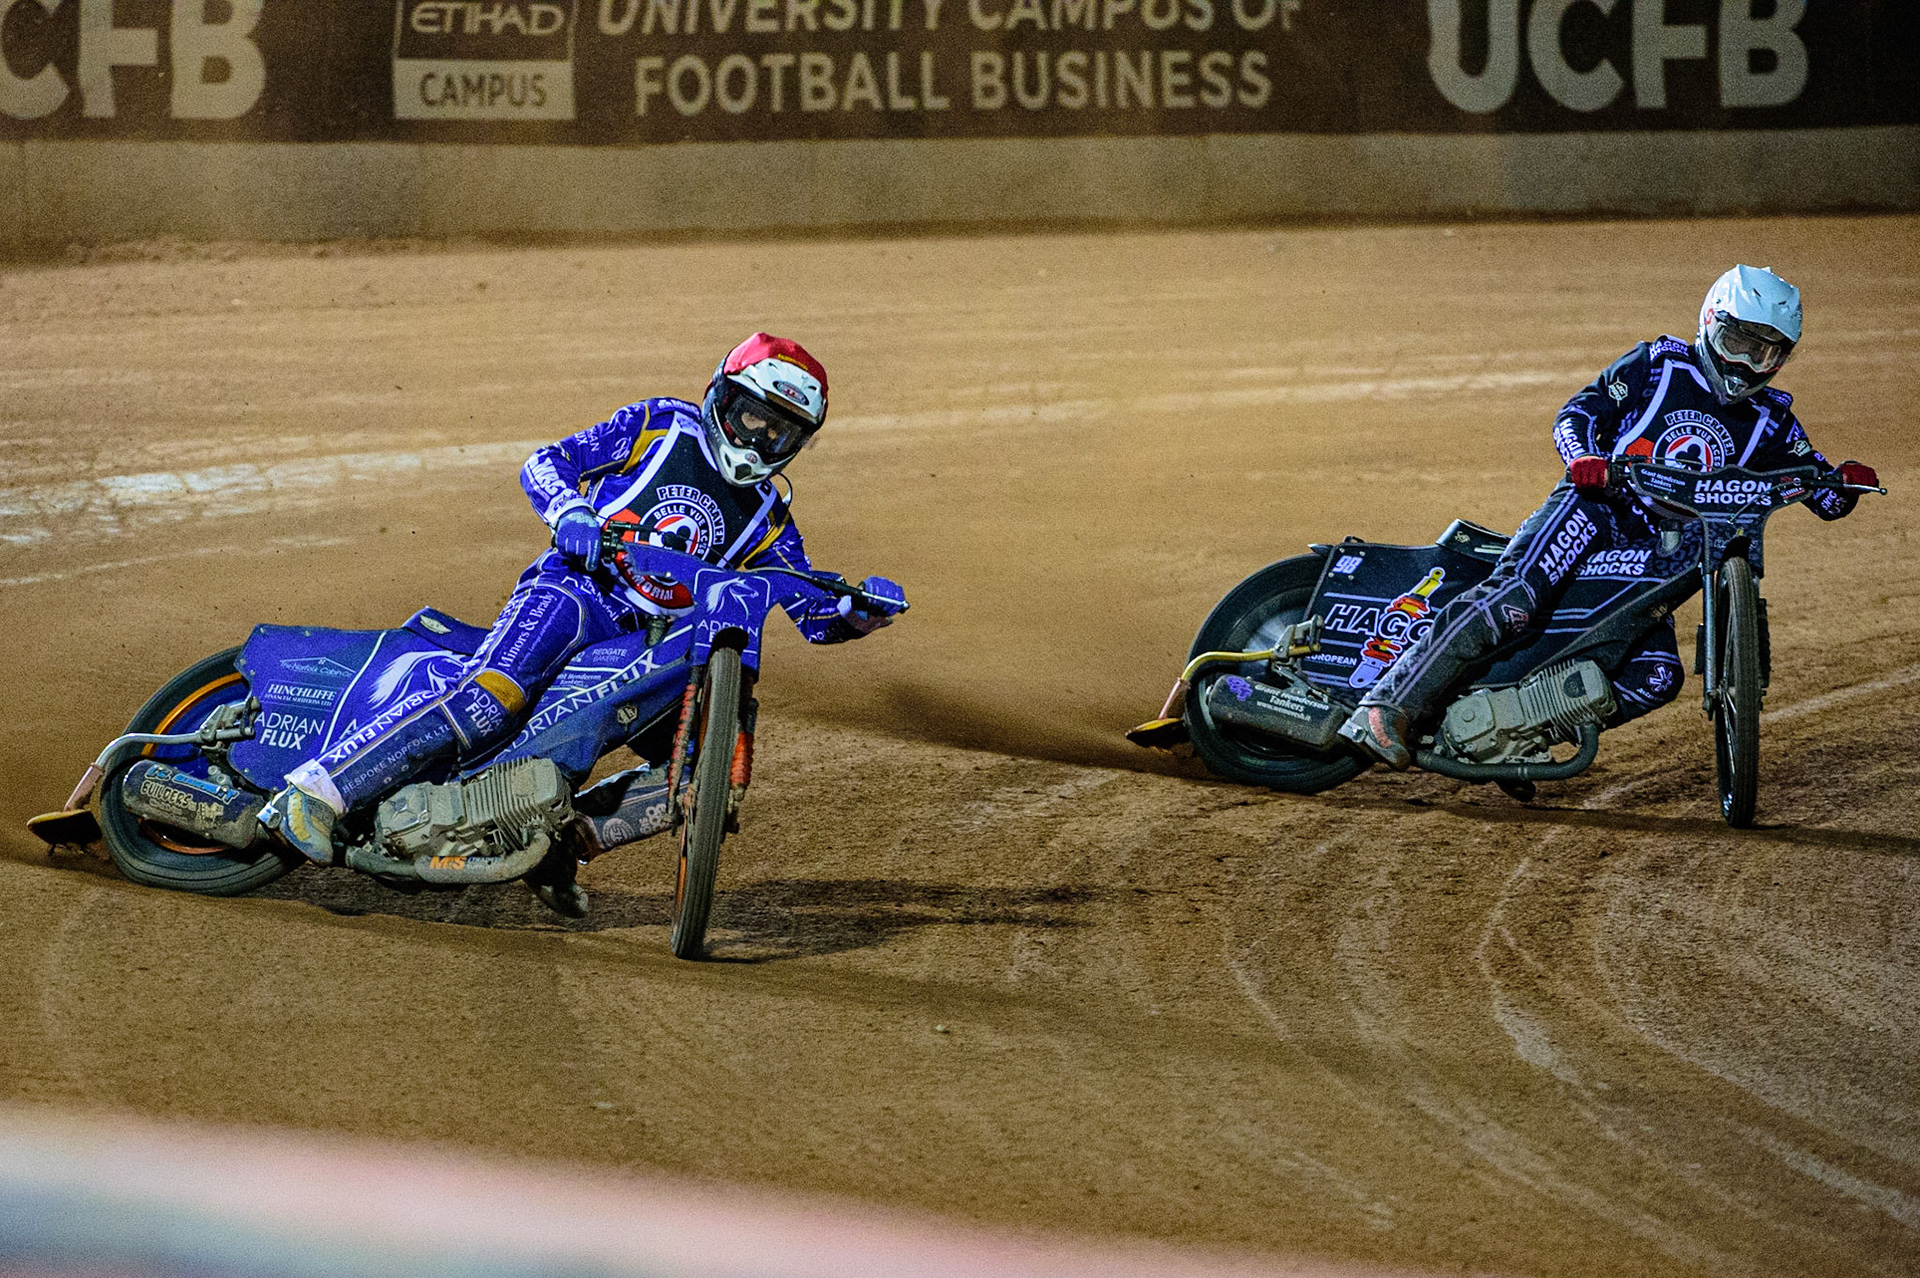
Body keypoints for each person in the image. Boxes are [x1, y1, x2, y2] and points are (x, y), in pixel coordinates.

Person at [267, 333, 907, 862]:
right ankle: (316, 794)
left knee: (704, 772)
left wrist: (859, 612)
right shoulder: (662, 423)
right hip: (575, 592)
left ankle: (560, 847)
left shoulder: (770, 518)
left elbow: (812, 612)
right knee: (491, 697)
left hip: (649, 644)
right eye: (752, 418)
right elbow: (547, 462)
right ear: (721, 396)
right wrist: (570, 512)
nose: (759, 440)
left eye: (780, 434)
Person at [1338, 265, 1878, 769]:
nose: (1747, 364)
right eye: (1739, 342)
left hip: (1662, 550)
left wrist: (1844, 482)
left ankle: (1510, 734)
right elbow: (1577, 413)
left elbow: (1823, 495)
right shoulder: (1657, 365)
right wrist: (1584, 460)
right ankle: (1388, 704)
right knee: (1515, 599)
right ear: (1711, 322)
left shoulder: (1773, 420)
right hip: (1595, 509)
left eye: (1766, 352)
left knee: (1657, 676)